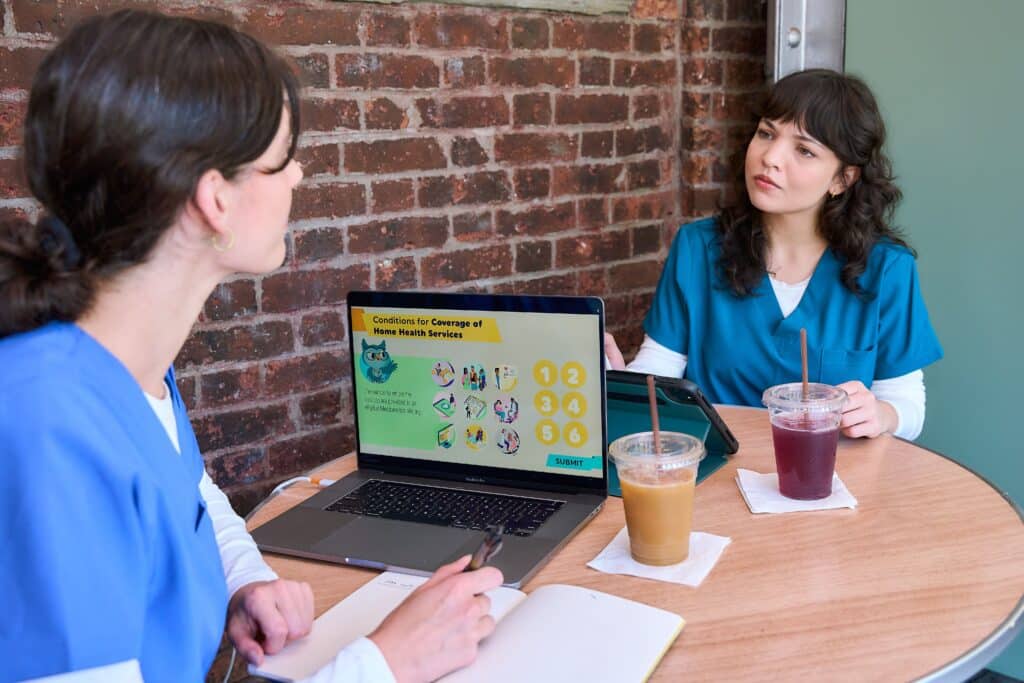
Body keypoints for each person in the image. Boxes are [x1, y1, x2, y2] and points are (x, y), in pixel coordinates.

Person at [0, 10, 501, 682]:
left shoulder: (116, 362)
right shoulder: (45, 429)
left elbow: (188, 492)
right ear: (215, 200)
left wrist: (242, 577)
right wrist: (385, 662)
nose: (297, 179)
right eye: (283, 158)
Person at [605, 69, 942, 440]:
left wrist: (882, 414)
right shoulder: (697, 248)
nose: (771, 157)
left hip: (831, 480)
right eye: (766, 133)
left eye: (804, 150)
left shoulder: (887, 269)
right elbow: (660, 368)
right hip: (716, 473)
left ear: (842, 179)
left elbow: (907, 404)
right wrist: (619, 383)